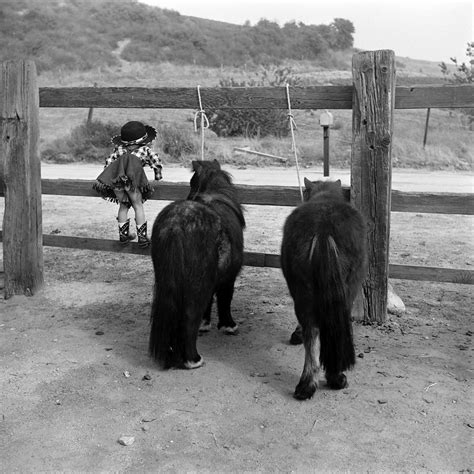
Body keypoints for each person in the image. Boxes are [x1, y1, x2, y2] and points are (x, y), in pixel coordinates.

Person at [93, 120, 163, 248]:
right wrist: (158, 177)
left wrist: (108, 179)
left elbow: (109, 163)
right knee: (138, 206)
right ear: (142, 140)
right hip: (132, 182)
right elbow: (156, 162)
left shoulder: (119, 149)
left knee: (123, 206)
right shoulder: (144, 149)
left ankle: (124, 236)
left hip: (117, 182)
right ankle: (142, 238)